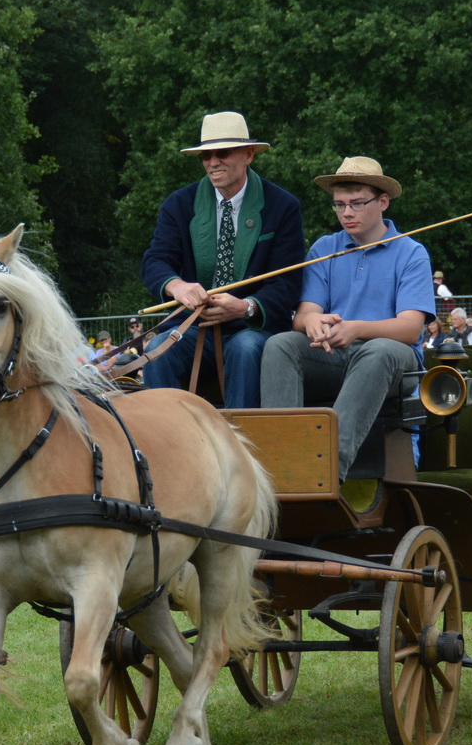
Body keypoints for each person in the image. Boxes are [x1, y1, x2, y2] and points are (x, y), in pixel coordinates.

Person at [261, 156, 432, 481]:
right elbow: (304, 315)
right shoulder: (324, 248)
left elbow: (410, 329)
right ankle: (279, 465)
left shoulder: (411, 253)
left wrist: (355, 329)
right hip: (334, 356)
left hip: (395, 362)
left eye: (356, 203)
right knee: (281, 344)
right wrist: (311, 322)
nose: (346, 213)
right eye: (339, 205)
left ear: (383, 202)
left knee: (377, 350)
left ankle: (322, 469)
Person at [140, 111, 305, 408]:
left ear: (249, 155)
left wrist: (245, 307)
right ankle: (165, 445)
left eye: (223, 153)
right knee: (157, 348)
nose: (213, 162)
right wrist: (177, 286)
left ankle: (241, 445)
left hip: (253, 328)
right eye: (206, 155)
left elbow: (287, 283)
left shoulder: (283, 206)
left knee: (246, 349)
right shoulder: (179, 204)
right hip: (192, 326)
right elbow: (156, 259)